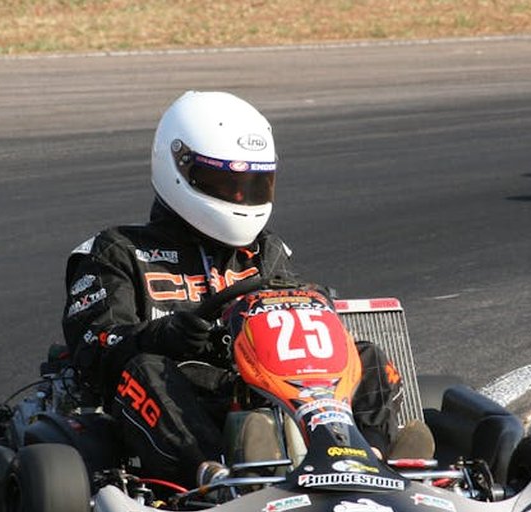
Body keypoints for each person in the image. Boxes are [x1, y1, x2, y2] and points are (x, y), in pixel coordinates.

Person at [61, 91, 433, 489]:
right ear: (179, 167)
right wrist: (160, 336)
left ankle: (370, 454)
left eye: (254, 184)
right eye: (226, 182)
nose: (241, 198)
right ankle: (212, 473)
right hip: (183, 397)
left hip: (263, 388)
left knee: (365, 356)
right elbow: (93, 346)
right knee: (146, 370)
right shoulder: (119, 250)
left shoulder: (266, 251)